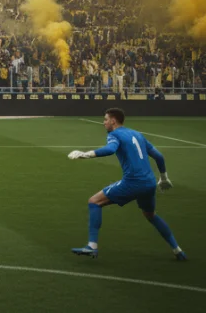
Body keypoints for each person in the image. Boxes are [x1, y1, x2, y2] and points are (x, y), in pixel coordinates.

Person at [67, 108, 186, 260]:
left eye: (105, 119)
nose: (103, 123)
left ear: (113, 121)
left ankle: (92, 246)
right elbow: (159, 156)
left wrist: (87, 154)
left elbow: (110, 149)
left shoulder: (114, 134)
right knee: (151, 215)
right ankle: (177, 250)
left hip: (133, 182)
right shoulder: (137, 134)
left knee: (94, 202)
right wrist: (163, 178)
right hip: (149, 183)